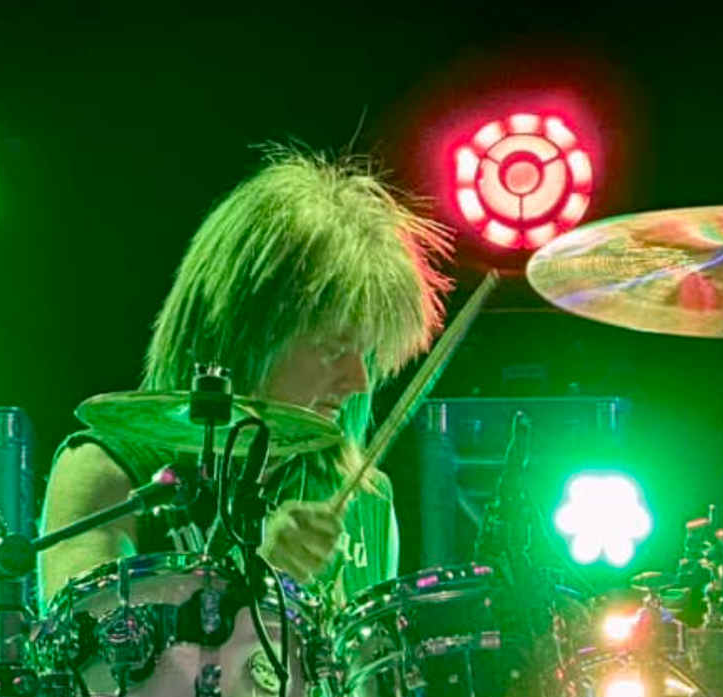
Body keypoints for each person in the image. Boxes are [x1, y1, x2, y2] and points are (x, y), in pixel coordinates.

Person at [37, 147, 452, 604]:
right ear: (246, 332)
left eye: (368, 356)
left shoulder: (368, 499)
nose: (359, 381)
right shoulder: (107, 468)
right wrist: (254, 583)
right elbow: (81, 641)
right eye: (333, 349)